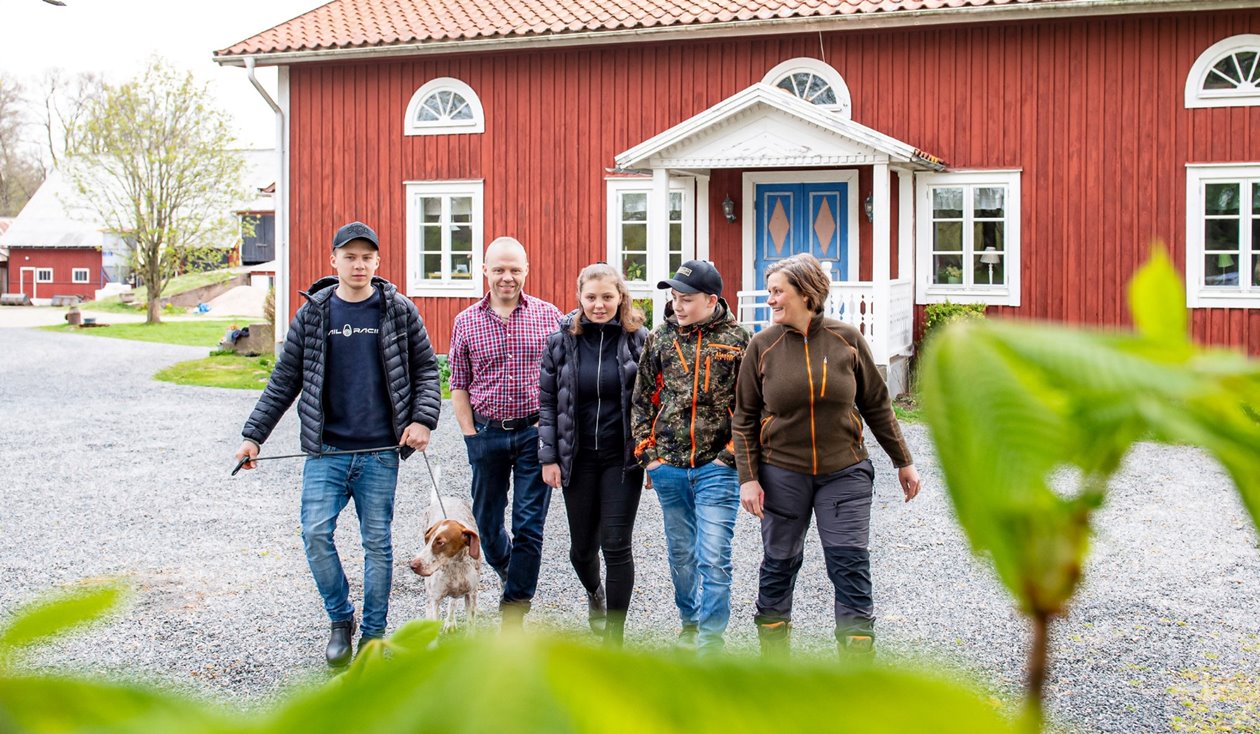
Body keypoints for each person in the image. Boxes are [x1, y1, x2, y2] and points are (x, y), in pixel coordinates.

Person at [234, 221, 442, 667]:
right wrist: (253, 437)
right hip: (325, 451)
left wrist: (423, 419)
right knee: (314, 534)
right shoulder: (314, 313)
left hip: (380, 453)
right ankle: (339, 618)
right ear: (334, 261)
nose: (359, 264)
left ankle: (372, 635)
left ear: (378, 262)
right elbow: (283, 382)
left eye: (367, 257)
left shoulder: (397, 310)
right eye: (350, 256)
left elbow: (426, 370)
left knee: (377, 545)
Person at [731, 253, 921, 660]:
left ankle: (856, 670)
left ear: (806, 292)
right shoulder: (761, 347)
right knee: (779, 565)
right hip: (782, 473)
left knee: (850, 566)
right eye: (770, 293)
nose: (771, 300)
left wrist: (902, 459)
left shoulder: (847, 339)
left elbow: (877, 405)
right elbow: (744, 418)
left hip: (844, 472)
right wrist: (748, 477)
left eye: (778, 291)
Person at [631, 259, 749, 654]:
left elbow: (753, 405)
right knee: (682, 556)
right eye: (674, 298)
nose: (677, 306)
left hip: (719, 467)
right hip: (670, 468)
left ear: (711, 299)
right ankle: (690, 621)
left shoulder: (738, 340)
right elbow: (642, 398)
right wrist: (649, 457)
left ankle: (710, 645)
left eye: (686, 299)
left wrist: (731, 457)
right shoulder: (660, 339)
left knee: (714, 556)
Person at [448, 236, 563, 629]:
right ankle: (509, 569)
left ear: (526, 271)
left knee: (529, 525)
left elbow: (565, 377)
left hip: (535, 434)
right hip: (488, 434)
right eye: (499, 269)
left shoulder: (550, 317)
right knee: (485, 524)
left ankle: (514, 606)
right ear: (485, 271)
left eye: (515, 269)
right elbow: (458, 384)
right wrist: (470, 435)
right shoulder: (466, 321)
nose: (507, 277)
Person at [538, 263, 647, 646]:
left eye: (607, 297)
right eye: (591, 297)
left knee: (617, 544)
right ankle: (594, 591)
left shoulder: (639, 340)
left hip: (622, 459)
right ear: (579, 298)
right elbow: (548, 402)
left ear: (620, 297)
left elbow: (652, 400)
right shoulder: (561, 341)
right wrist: (548, 456)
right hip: (577, 458)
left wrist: (650, 454)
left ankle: (613, 639)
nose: (599, 305)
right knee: (582, 549)